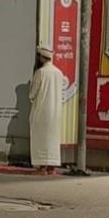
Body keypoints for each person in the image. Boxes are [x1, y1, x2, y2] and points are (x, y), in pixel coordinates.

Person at [28, 44, 66, 174]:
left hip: (41, 111)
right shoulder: (59, 73)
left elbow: (32, 94)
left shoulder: (40, 72)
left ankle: (42, 167)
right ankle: (52, 167)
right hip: (55, 112)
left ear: (42, 58)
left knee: (40, 138)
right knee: (52, 139)